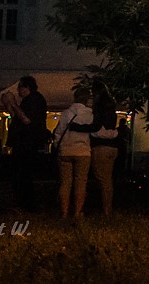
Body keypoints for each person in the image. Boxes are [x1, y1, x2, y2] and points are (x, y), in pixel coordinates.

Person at [68, 79, 121, 216]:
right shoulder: (111, 108)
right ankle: (107, 209)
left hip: (101, 146)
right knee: (107, 179)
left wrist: (76, 127)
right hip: (112, 147)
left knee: (102, 178)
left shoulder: (99, 109)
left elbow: (95, 127)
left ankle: (106, 210)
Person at [4, 75, 48, 212]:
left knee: (23, 175)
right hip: (24, 143)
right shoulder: (28, 101)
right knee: (20, 174)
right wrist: (8, 104)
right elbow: (17, 117)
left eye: (20, 87)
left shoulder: (34, 100)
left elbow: (26, 120)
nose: (18, 90)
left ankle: (25, 205)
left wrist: (13, 103)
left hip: (27, 143)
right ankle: (23, 204)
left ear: (26, 87)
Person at [53, 86, 94, 219]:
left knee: (65, 182)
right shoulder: (90, 113)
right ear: (87, 99)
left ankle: (64, 212)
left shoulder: (66, 113)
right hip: (83, 151)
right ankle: (77, 212)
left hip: (65, 150)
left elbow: (58, 132)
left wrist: (58, 146)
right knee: (81, 182)